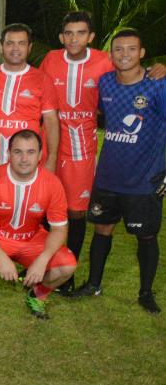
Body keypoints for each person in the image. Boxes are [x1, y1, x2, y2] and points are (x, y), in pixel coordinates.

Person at [73, 29, 166, 313]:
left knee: (146, 236)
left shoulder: (158, 85)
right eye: (118, 50)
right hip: (108, 178)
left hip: (144, 180)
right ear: (111, 55)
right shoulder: (105, 84)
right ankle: (93, 284)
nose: (124, 54)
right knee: (102, 230)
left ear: (142, 53)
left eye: (131, 49)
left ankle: (145, 293)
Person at [38, 11, 115, 290]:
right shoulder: (50, 59)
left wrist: (158, 70)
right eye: (69, 33)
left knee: (76, 211)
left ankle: (67, 274)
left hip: (82, 146)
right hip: (50, 143)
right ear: (61, 37)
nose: (74, 38)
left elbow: (130, 79)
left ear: (91, 37)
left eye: (80, 33)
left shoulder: (104, 62)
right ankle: (46, 267)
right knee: (46, 207)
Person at [0, 130, 76, 319]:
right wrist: (0, 257)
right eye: (18, 152)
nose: (24, 159)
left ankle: (38, 295)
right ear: (8, 154)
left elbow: (59, 228)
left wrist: (43, 259)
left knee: (67, 266)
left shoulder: (51, 183)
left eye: (31, 152)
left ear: (40, 155)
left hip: (32, 238)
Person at [0, 23, 60, 178]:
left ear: (29, 47)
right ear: (1, 47)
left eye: (21, 43)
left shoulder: (42, 80)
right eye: (9, 43)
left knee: (24, 201)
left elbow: (51, 121)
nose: (15, 49)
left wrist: (52, 158)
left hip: (27, 165)